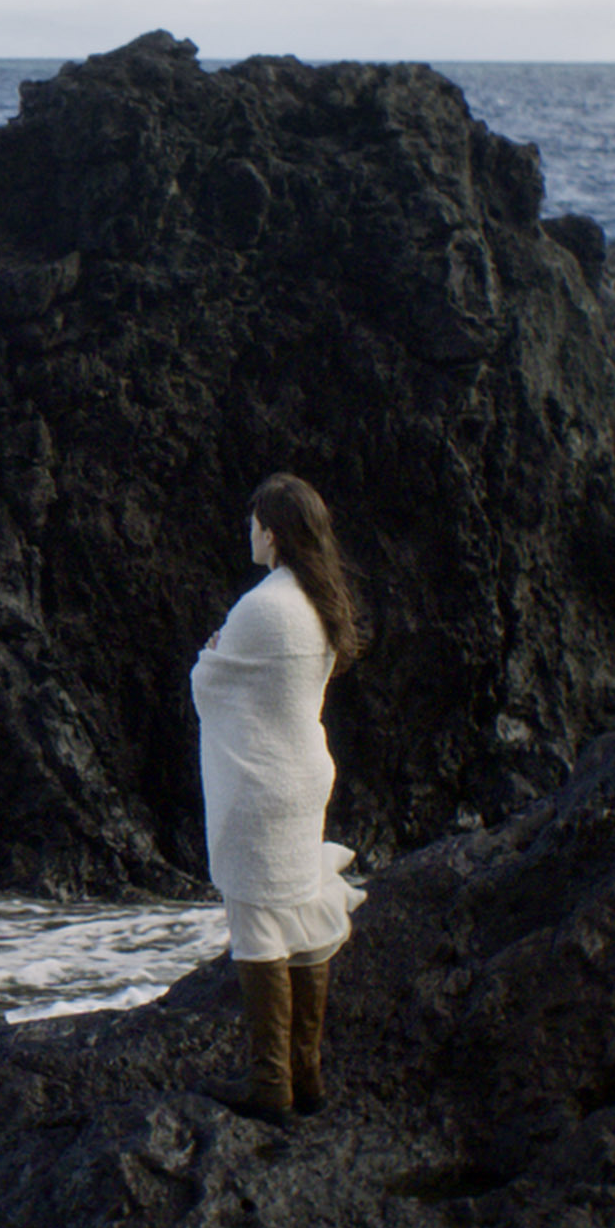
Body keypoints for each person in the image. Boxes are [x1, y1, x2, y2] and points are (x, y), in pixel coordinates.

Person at [189, 471, 368, 1126]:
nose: (249, 533)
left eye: (253, 522)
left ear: (272, 530)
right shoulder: (321, 601)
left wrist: (207, 657)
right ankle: (307, 1074)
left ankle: (271, 1083)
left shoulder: (264, 605)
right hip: (304, 775)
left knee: (259, 925)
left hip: (258, 787)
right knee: (301, 911)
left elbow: (212, 680)